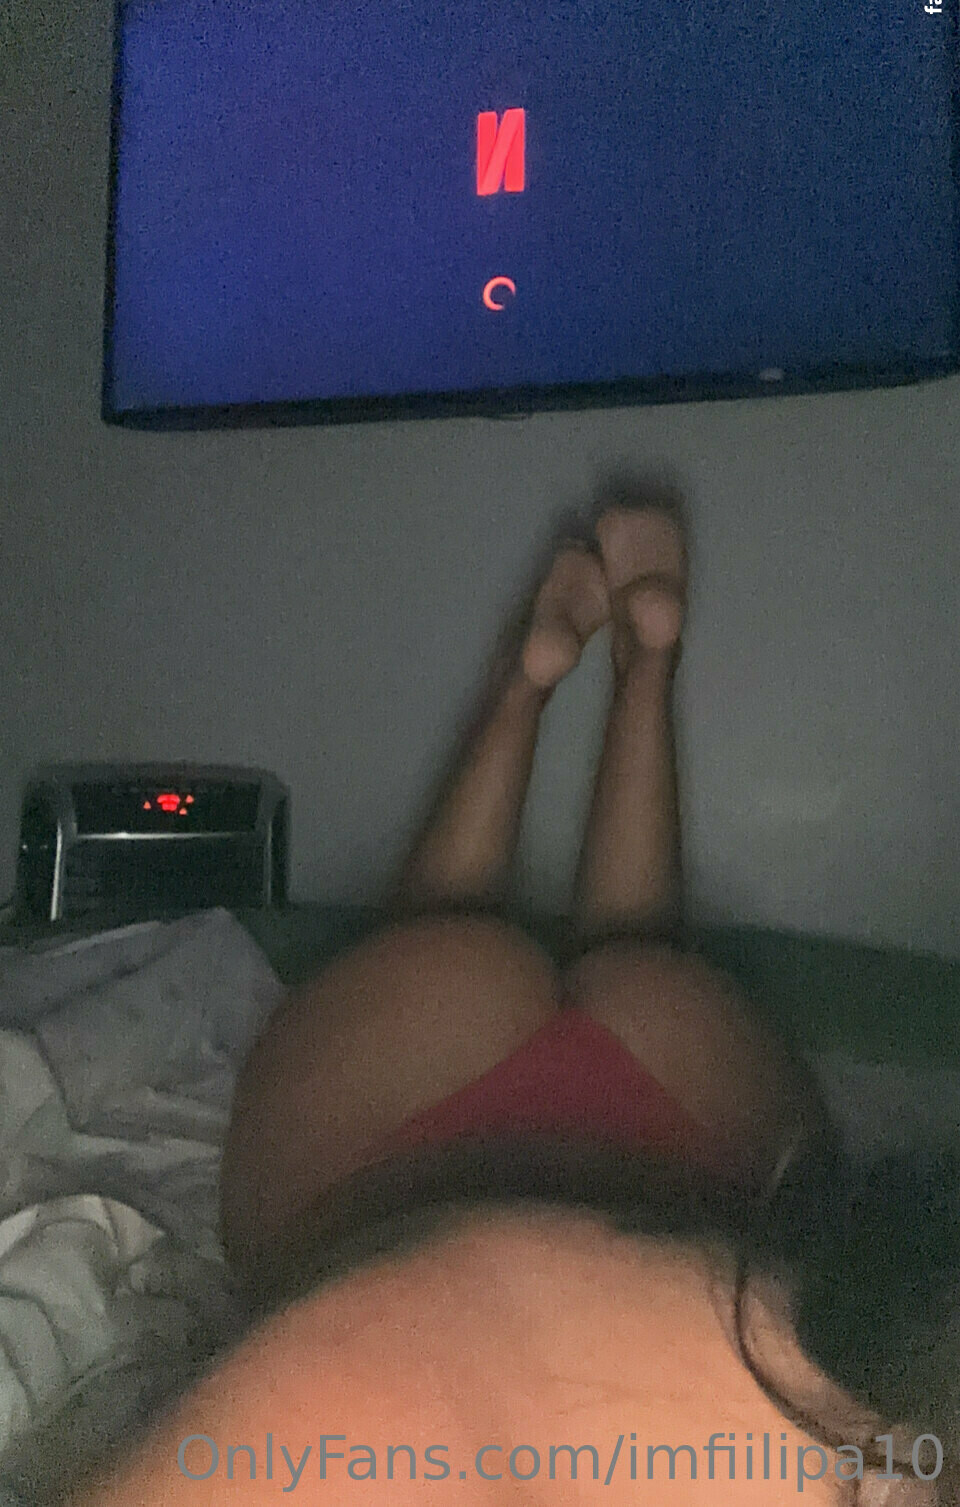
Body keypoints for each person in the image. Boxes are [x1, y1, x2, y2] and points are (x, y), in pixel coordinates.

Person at [70, 499, 957, 1506]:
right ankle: (557, 678)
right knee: (445, 945)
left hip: (678, 1155)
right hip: (392, 1174)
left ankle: (621, 665)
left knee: (616, 957)